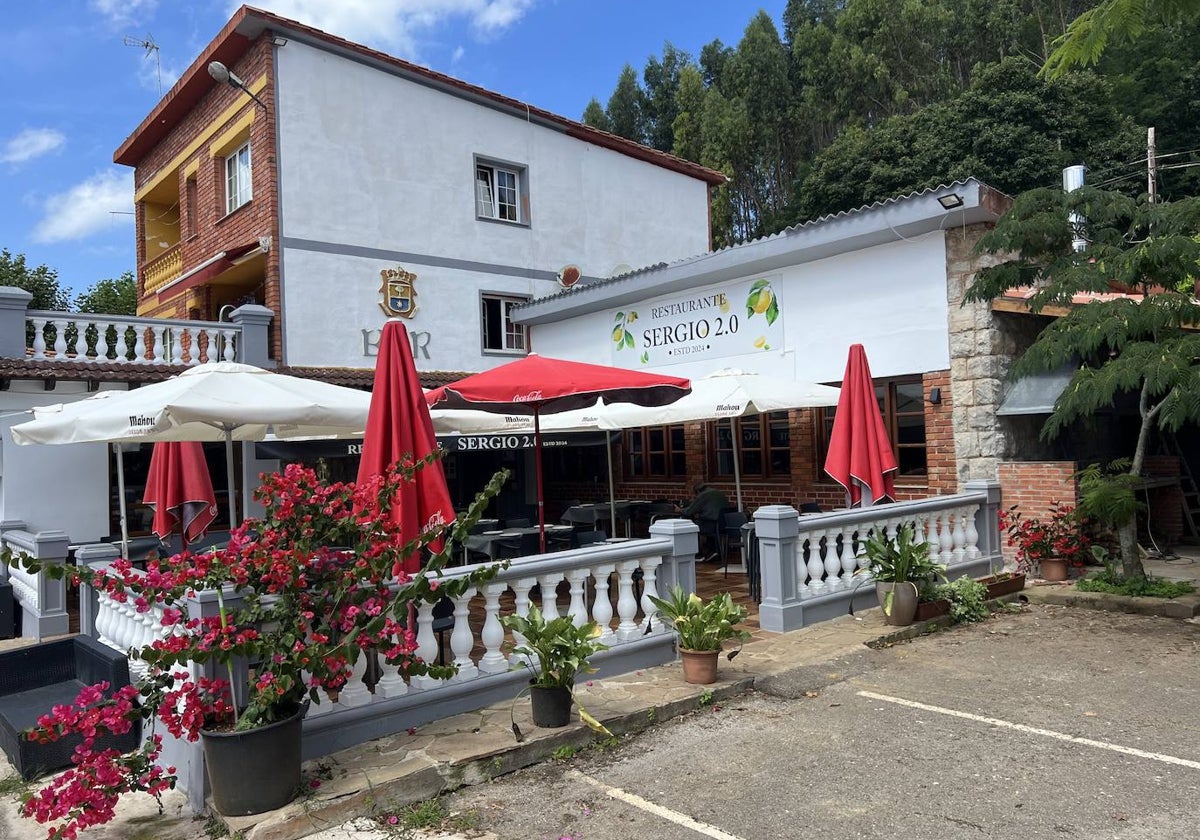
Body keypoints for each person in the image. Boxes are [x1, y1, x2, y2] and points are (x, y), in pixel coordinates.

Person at [681, 482, 731, 561]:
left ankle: (700, 554)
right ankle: (712, 551)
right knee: (702, 523)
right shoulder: (719, 493)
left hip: (712, 525)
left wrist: (679, 510)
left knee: (691, 527)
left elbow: (689, 511)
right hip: (725, 524)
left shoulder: (703, 495)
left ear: (697, 491)